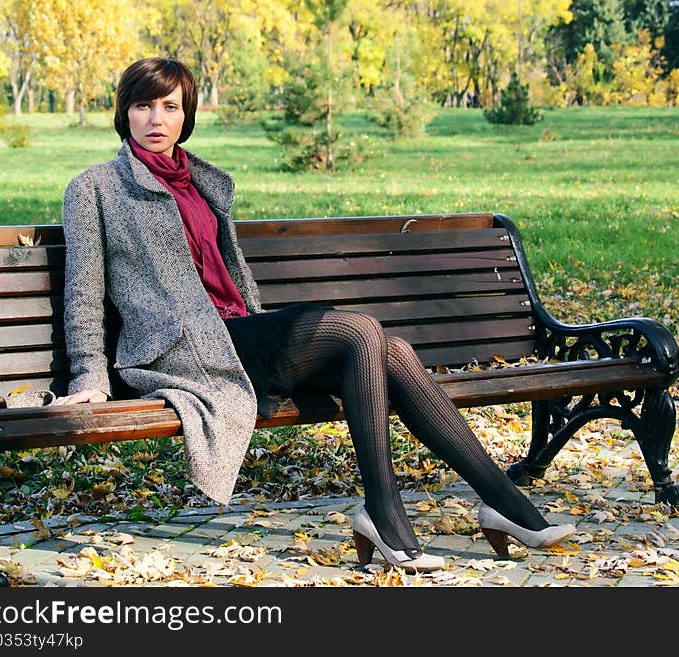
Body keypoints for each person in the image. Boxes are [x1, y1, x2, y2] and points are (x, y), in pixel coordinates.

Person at [53, 57, 576, 572]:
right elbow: (83, 290)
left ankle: (493, 502)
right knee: (362, 331)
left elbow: (228, 280)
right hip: (186, 352)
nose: (156, 120)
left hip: (239, 334)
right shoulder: (94, 187)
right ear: (125, 112)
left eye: (170, 106)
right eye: (143, 106)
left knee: (390, 351)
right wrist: (91, 376)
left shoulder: (201, 182)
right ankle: (406, 509)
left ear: (187, 115)